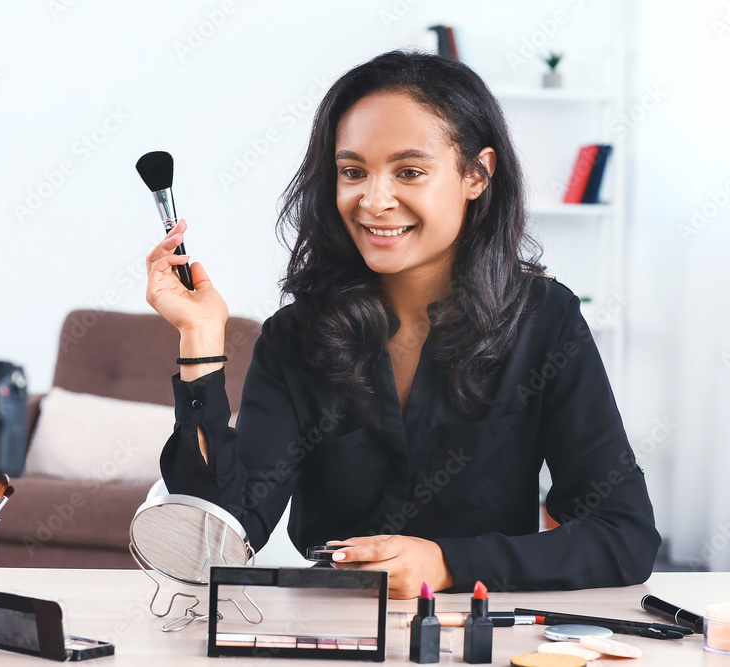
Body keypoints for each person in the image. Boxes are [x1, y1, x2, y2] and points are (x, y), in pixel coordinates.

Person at [146, 50, 660, 599]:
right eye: (353, 172)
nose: (374, 200)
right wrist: (199, 338)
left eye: (409, 171)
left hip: (482, 631)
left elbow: (624, 535)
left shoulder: (544, 321)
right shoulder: (295, 337)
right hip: (333, 632)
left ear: (476, 175)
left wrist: (445, 564)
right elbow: (216, 538)